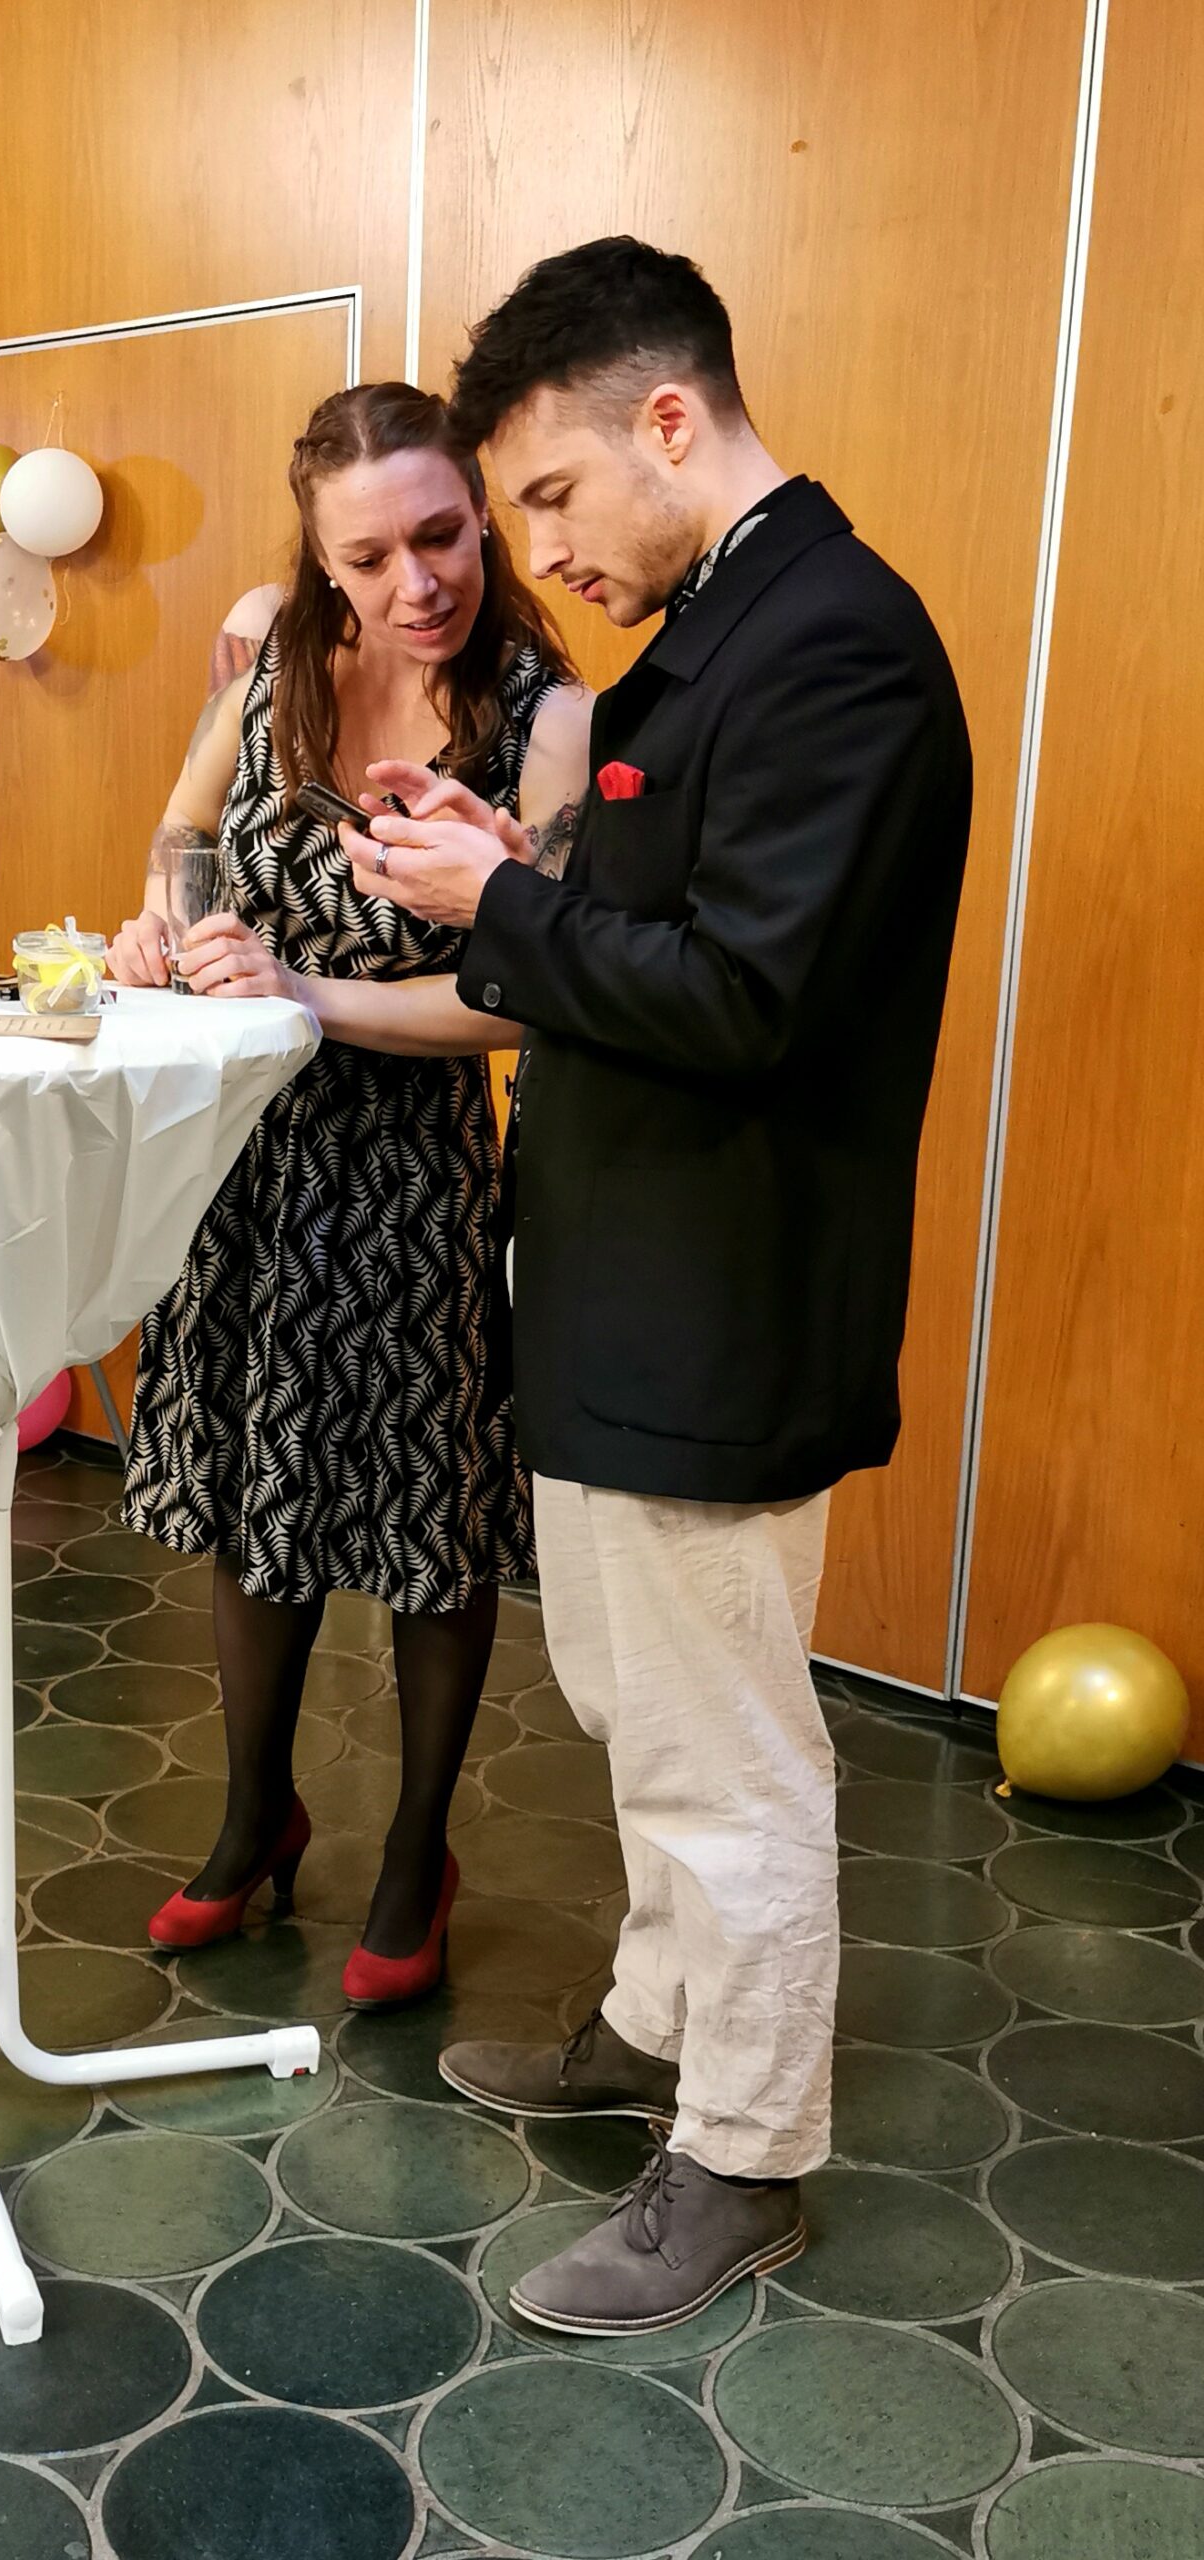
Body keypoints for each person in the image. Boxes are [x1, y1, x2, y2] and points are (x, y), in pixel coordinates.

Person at [330, 239, 971, 2332]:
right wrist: (499, 861)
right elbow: (650, 923)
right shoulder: (725, 626)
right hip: (623, 1285)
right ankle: (658, 2025)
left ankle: (747, 2154)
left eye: (548, 495)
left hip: (722, 1297)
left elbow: (753, 994)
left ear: (669, 422)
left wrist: (502, 902)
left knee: (726, 1751)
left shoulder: (837, 643)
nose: (540, 552)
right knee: (634, 1698)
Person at [110, 381, 590, 2008]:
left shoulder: (546, 720)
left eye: (441, 537)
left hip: (413, 1177)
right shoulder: (272, 671)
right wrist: (170, 925)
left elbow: (531, 998)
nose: (415, 583)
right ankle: (256, 1817)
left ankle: (415, 1857)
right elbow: (180, 837)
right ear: (320, 557)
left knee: (428, 1524)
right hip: (244, 1161)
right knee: (262, 1499)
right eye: (370, 556)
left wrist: (305, 995)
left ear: (480, 517)